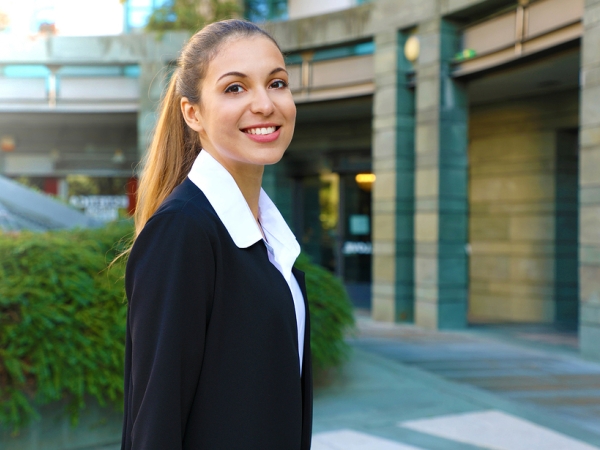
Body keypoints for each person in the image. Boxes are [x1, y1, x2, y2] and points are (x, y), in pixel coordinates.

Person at [120, 19, 312, 450]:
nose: (265, 104)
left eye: (277, 83)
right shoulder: (182, 231)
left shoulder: (269, 236)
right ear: (193, 113)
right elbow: (156, 421)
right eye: (235, 88)